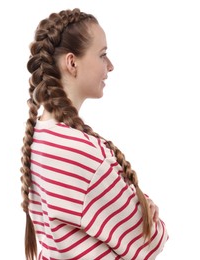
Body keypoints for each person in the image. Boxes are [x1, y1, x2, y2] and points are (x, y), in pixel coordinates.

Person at [20, 8, 168, 260]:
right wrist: (140, 205)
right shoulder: (81, 153)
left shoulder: (41, 136)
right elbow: (151, 241)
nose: (110, 66)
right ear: (72, 62)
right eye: (102, 55)